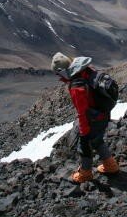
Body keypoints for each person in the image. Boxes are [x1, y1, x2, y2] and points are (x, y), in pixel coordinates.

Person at [51, 52, 119, 183]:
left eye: (58, 74)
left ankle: (85, 174)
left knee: (84, 146)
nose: (59, 78)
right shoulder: (86, 70)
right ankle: (110, 165)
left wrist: (83, 131)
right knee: (97, 140)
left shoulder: (77, 86)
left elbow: (82, 112)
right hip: (103, 113)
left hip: (93, 118)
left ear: (63, 71)